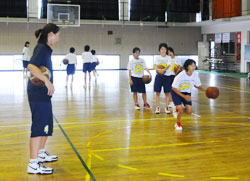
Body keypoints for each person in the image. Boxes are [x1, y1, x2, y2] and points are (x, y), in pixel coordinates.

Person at [27, 23, 60, 174]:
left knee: (46, 125)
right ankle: (33, 164)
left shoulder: (46, 49)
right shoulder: (41, 48)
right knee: (39, 126)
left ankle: (40, 153)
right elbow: (31, 67)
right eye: (58, 35)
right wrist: (46, 81)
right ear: (51, 34)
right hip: (37, 93)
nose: (58, 39)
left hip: (43, 94)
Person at [171, 59, 205, 131]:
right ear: (187, 66)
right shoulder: (181, 75)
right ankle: (178, 123)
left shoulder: (195, 75)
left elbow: (197, 85)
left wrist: (205, 90)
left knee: (189, 111)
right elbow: (174, 88)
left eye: (194, 65)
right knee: (180, 109)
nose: (194, 67)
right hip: (177, 92)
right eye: (192, 65)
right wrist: (183, 96)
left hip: (187, 93)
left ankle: (177, 109)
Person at [153, 43, 171, 114]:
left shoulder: (168, 58)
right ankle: (158, 107)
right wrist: (158, 69)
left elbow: (168, 66)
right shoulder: (157, 58)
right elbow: (154, 65)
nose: (163, 50)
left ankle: (166, 107)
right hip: (159, 76)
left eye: (164, 49)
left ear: (166, 50)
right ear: (159, 50)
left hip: (167, 76)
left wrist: (163, 70)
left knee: (167, 93)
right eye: (162, 49)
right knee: (157, 92)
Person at [167, 47, 182, 112]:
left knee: (177, 89)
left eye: (170, 52)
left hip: (176, 76)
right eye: (168, 53)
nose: (169, 53)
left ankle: (179, 101)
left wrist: (177, 71)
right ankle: (171, 102)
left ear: (173, 52)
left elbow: (180, 67)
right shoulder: (167, 59)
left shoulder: (177, 59)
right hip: (169, 75)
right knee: (170, 89)